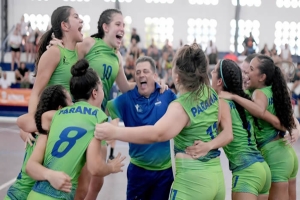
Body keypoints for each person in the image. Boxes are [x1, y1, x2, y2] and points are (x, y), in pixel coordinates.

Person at [94, 43, 233, 200]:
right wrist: (209, 145)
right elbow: (227, 132)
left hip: (192, 183)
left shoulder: (180, 106)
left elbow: (156, 133)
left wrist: (115, 131)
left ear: (177, 76)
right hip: (216, 177)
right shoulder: (211, 93)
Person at [20, 59, 125, 200]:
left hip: (35, 195)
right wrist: (111, 167)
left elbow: (23, 123)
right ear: (95, 93)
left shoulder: (56, 115)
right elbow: (95, 168)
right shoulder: (98, 118)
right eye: (101, 85)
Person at [219, 55, 299, 200]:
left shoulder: (258, 93)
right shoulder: (274, 89)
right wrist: (295, 127)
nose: (245, 75)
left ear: (262, 76)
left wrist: (234, 97)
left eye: (249, 70)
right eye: (242, 72)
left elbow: (260, 111)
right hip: (286, 153)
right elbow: (289, 118)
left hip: (274, 155)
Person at [106, 56, 176, 199]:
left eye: (145, 71)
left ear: (155, 76)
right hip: (138, 171)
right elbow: (102, 109)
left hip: (164, 173)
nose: (141, 75)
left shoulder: (167, 95)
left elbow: (184, 115)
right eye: (138, 72)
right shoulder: (126, 100)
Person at [210, 59, 271, 200]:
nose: (210, 74)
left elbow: (223, 134)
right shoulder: (242, 102)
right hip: (262, 169)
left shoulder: (221, 102)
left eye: (213, 72)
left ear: (219, 81)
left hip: (247, 172)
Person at [5, 85, 73, 200]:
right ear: (60, 108)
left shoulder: (36, 129)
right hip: (24, 195)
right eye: (71, 101)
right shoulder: (48, 136)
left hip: (14, 194)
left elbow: (21, 121)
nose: (73, 105)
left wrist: (25, 132)